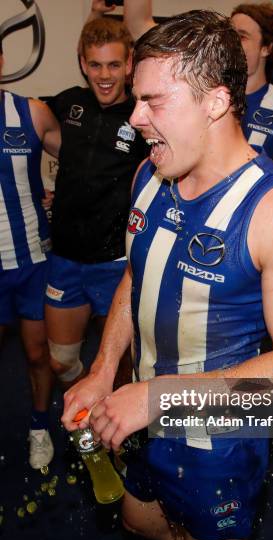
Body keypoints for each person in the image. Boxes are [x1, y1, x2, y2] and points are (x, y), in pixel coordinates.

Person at [62, 11, 273, 540]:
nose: (134, 118)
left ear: (215, 101)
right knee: (135, 519)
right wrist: (105, 368)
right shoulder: (151, 176)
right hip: (139, 409)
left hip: (219, 437)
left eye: (153, 100)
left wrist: (159, 397)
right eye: (135, 99)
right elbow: (139, 270)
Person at [124, 0, 273, 186]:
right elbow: (138, 24)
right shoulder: (192, 84)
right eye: (230, 33)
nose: (232, 41)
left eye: (242, 35)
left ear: (266, 48)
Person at [44, 7, 148, 389]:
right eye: (96, 65)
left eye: (114, 64)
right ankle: (88, 411)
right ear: (83, 65)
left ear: (129, 63)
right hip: (66, 257)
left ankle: (110, 426)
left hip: (117, 262)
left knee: (120, 364)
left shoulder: (143, 113)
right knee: (60, 361)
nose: (105, 75)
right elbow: (24, 130)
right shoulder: (67, 103)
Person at [0, 46, 60, 469]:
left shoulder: (32, 113)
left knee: (40, 354)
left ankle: (39, 426)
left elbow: (84, 160)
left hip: (33, 262)